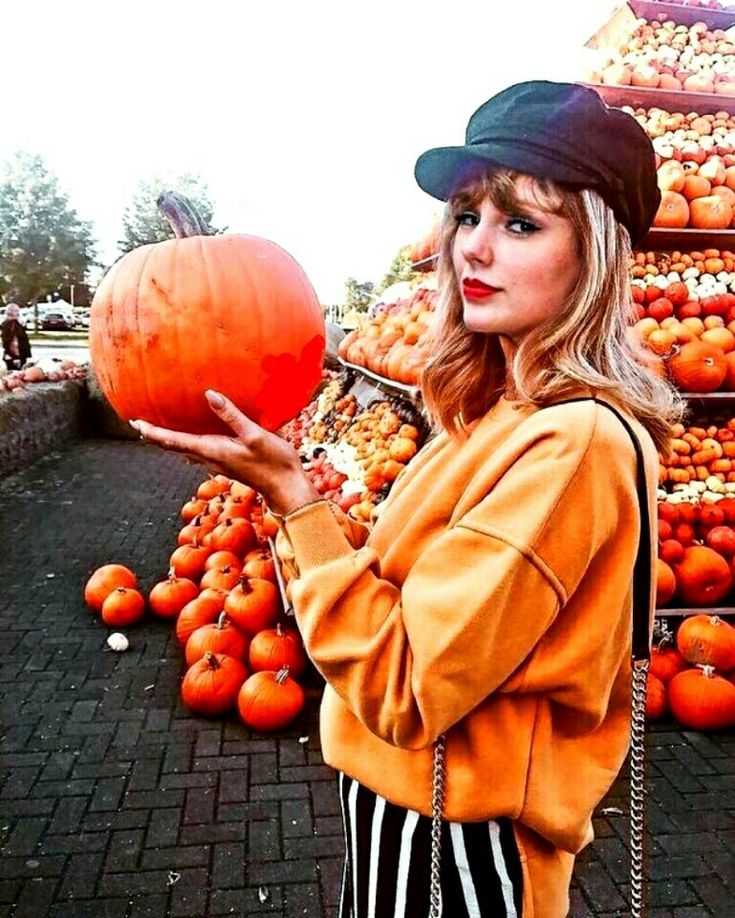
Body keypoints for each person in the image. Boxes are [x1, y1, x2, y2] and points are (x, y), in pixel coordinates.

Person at [131, 81, 683, 917]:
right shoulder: (504, 411)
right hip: (416, 817)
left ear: (595, 254)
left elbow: (405, 686)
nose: (474, 249)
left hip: (459, 845)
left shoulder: (572, 445)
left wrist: (292, 498)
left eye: (520, 223)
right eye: (466, 217)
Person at [1, 302, 32, 371]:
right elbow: (13, 342)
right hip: (15, 356)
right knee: (15, 375)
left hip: (16, 355)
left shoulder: (13, 323)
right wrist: (16, 357)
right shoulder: (11, 325)